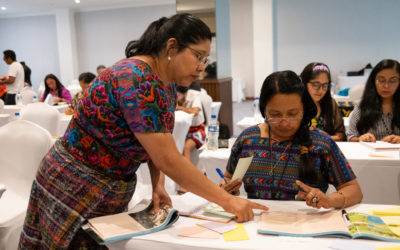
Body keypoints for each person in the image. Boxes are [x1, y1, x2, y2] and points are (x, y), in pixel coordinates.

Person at [19, 13, 267, 249]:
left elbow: (159, 143)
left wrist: (158, 184)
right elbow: (169, 159)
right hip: (74, 185)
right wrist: (229, 201)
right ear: (171, 47)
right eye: (198, 57)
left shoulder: (164, 84)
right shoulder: (135, 78)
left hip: (107, 186)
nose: (202, 67)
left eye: (206, 60)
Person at [222, 70, 362, 209]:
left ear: (304, 109)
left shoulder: (321, 143)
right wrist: (227, 186)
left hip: (306, 226)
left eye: (293, 114)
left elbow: (354, 190)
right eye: (275, 114)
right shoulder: (248, 139)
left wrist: (329, 200)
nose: (284, 123)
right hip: (256, 224)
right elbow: (229, 177)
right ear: (264, 110)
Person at [346, 59, 400, 143]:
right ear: (373, 81)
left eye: (392, 81)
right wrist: (360, 139)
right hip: (368, 154)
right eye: (381, 80)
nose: (386, 86)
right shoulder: (362, 106)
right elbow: (350, 136)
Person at [300, 62, 346, 141]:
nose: (321, 90)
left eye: (325, 85)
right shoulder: (297, 103)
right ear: (304, 83)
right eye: (315, 85)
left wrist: (323, 140)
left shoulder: (330, 103)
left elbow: (341, 134)